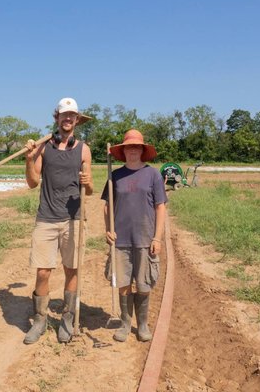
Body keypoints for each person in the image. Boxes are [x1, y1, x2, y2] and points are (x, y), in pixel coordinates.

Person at [23, 97, 94, 344]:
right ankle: (40, 319)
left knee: (71, 269)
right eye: (64, 115)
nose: (67, 119)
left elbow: (91, 188)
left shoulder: (84, 149)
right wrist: (29, 158)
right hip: (47, 216)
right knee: (43, 271)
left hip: (74, 218)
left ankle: (67, 316)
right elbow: (32, 183)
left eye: (72, 115)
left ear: (77, 119)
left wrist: (88, 184)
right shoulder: (44, 147)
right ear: (57, 118)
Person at [101, 129, 167, 342]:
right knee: (123, 282)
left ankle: (143, 324)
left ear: (142, 150)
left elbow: (160, 207)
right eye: (129, 147)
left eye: (136, 147)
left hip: (145, 238)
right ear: (124, 150)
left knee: (144, 282)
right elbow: (106, 206)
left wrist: (157, 238)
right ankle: (125, 323)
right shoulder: (115, 176)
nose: (132, 150)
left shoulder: (153, 174)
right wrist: (108, 229)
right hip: (120, 239)